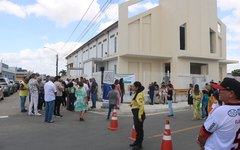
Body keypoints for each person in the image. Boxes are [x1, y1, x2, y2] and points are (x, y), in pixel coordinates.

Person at [197, 77, 240, 150]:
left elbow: (203, 135)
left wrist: (202, 144)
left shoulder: (220, 111)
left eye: (221, 89)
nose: (218, 91)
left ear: (231, 93)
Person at [129, 81, 146, 150]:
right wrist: (132, 104)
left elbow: (141, 106)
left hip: (139, 114)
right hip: (136, 113)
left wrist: (139, 116)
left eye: (133, 86)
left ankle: (139, 145)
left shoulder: (139, 94)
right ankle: (136, 142)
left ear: (137, 87)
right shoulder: (137, 93)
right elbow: (136, 102)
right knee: (137, 129)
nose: (132, 87)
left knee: (139, 130)